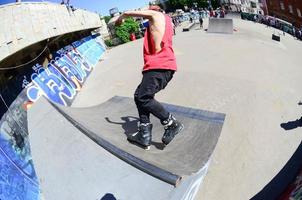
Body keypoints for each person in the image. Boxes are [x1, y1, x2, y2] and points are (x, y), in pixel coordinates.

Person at [115, 5, 184, 150]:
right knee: (138, 95)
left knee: (144, 98)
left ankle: (172, 123)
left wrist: (121, 17)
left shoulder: (156, 16)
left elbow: (129, 12)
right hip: (159, 66)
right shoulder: (166, 21)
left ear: (155, 11)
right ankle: (144, 133)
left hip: (160, 65)